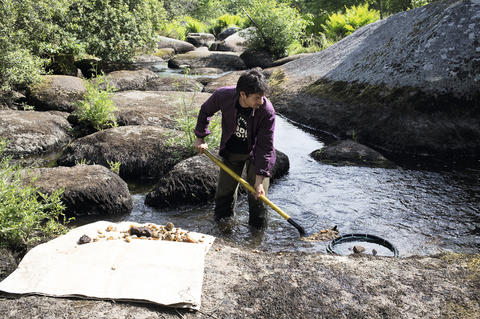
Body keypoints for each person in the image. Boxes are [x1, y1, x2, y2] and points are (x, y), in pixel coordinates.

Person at [193, 69, 276, 229]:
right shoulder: (223, 95)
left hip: (256, 155)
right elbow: (205, 111)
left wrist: (259, 181)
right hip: (232, 151)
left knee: (258, 197)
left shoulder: (267, 111)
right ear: (243, 94)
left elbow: (265, 147)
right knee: (224, 195)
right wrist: (200, 137)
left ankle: (257, 236)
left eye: (262, 97)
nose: (261, 101)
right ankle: (223, 231)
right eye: (257, 98)